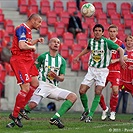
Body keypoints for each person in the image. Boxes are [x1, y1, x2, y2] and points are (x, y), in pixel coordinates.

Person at [7, 37, 77, 128]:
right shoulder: (42, 57)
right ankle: (14, 122)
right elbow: (33, 70)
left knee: (73, 96)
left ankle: (55, 118)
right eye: (54, 42)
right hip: (42, 84)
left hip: (53, 87)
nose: (56, 44)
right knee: (32, 105)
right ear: (49, 44)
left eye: (58, 42)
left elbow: (62, 77)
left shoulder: (62, 61)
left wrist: (56, 76)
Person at [74, 24, 126, 123]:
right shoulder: (91, 41)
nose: (97, 32)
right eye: (96, 30)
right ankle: (86, 110)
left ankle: (91, 115)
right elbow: (88, 49)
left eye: (99, 30)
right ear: (93, 32)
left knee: (98, 92)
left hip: (102, 71)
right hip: (91, 70)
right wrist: (78, 56)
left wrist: (122, 60)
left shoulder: (107, 42)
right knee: (81, 90)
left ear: (102, 33)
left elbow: (121, 49)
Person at [8, 14, 44, 128]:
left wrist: (35, 41)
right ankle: (14, 114)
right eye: (39, 22)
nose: (40, 24)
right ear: (33, 21)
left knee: (35, 84)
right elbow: (22, 46)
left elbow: (26, 43)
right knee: (25, 88)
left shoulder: (27, 30)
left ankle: (21, 108)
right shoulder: (21, 28)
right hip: (20, 60)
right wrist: (32, 48)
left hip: (28, 59)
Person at [99, 24, 126, 121]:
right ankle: (104, 109)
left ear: (117, 32)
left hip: (115, 70)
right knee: (98, 91)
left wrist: (116, 60)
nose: (112, 33)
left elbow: (125, 56)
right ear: (108, 32)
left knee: (115, 90)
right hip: (104, 70)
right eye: (111, 31)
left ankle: (113, 112)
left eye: (114, 31)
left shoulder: (120, 43)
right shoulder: (104, 42)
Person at [119, 35, 133, 120]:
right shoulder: (121, 52)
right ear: (125, 42)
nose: (129, 42)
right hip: (121, 79)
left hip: (131, 80)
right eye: (127, 40)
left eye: (131, 41)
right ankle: (112, 113)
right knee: (114, 93)